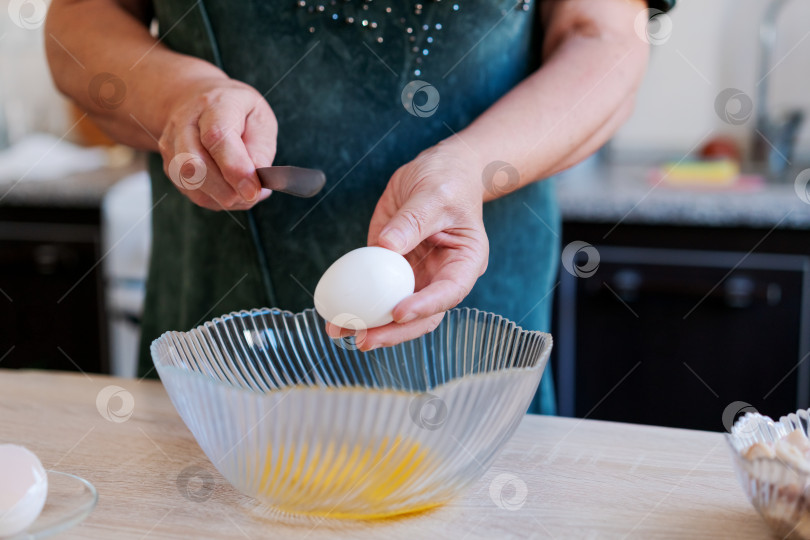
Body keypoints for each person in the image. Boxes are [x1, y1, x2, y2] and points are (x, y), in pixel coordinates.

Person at [46, 0, 673, 414]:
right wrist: (181, 95)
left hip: (471, 323)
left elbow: (604, 38)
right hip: (216, 339)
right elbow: (78, 20)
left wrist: (469, 168)